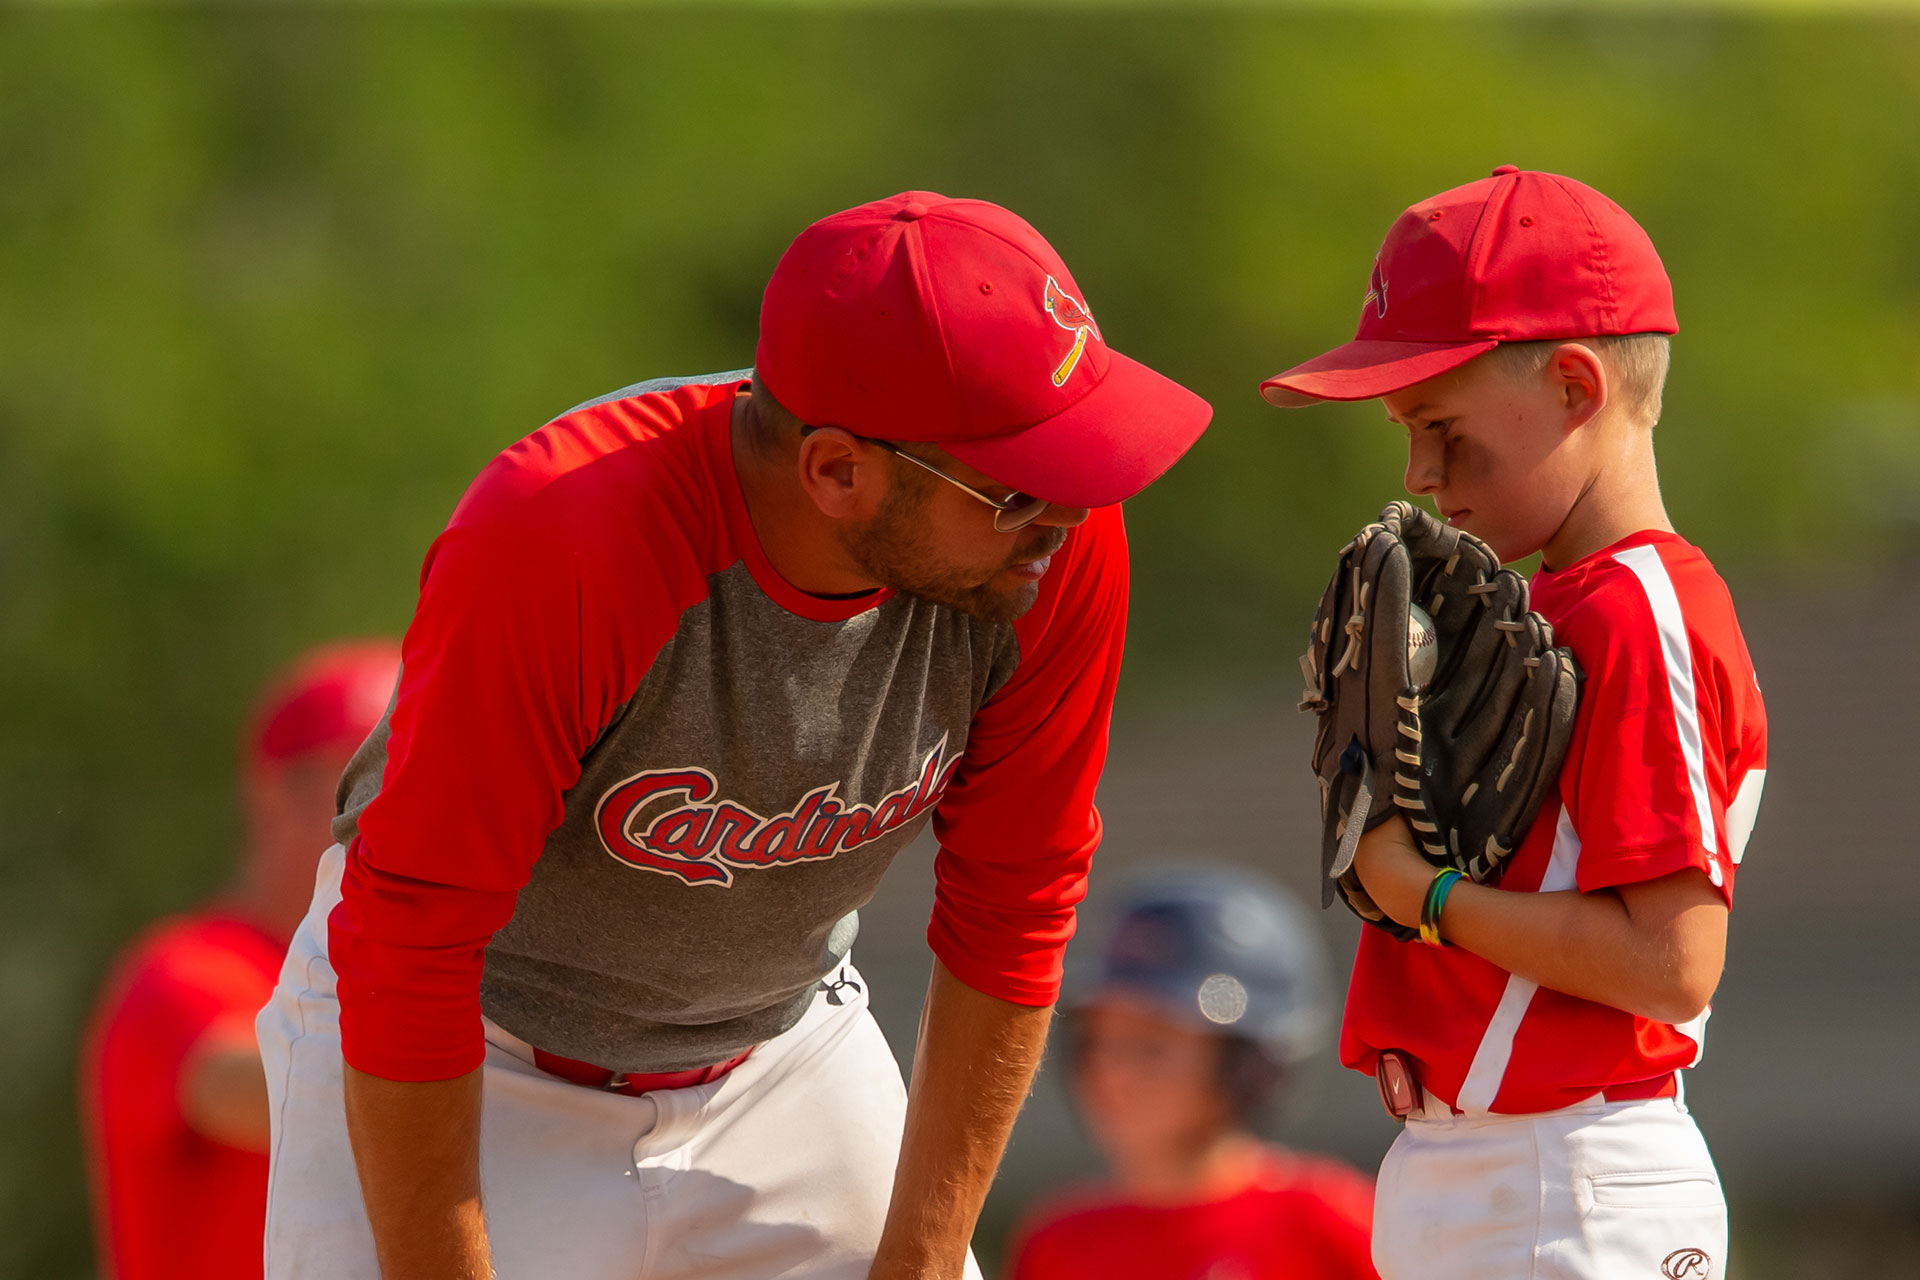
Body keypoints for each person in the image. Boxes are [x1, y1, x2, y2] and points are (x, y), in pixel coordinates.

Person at [255, 191, 1213, 1280]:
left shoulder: (1046, 541)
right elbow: (412, 943)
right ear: (840, 470)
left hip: (779, 1058)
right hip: (469, 1051)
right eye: (1015, 484)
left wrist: (924, 1256)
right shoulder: (569, 535)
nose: (1068, 510)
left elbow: (1017, 900)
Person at [1259, 166, 1768, 1280]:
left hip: (1570, 1169)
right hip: (1477, 1168)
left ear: (1578, 385)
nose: (1419, 473)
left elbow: (1675, 962)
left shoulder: (1642, 608)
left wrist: (1426, 896)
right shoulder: (1540, 612)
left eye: (1441, 424)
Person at [80, 641, 402, 1280]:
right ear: (275, 795)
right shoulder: (186, 970)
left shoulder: (387, 981)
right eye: (377, 779)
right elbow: (295, 1098)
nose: (404, 813)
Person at [1006, 864, 1377, 1280]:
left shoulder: (1330, 1223)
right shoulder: (1059, 1243)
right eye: (1098, 1042)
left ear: (1248, 1066)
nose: (1112, 1072)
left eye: (1152, 1047)